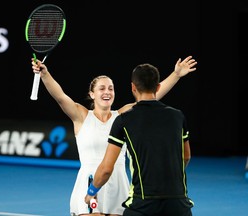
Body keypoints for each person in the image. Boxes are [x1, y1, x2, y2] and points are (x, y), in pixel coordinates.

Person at [31, 56, 197, 216]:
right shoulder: (81, 116)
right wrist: (45, 75)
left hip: (119, 185)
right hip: (88, 183)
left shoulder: (123, 116)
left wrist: (175, 75)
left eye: (111, 88)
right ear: (92, 94)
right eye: (102, 88)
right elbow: (60, 97)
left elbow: (151, 96)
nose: (107, 92)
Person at [85, 62, 195, 216]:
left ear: (133, 87)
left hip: (142, 205)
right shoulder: (178, 116)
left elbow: (106, 169)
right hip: (179, 205)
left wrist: (91, 192)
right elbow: (186, 156)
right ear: (157, 87)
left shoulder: (123, 120)